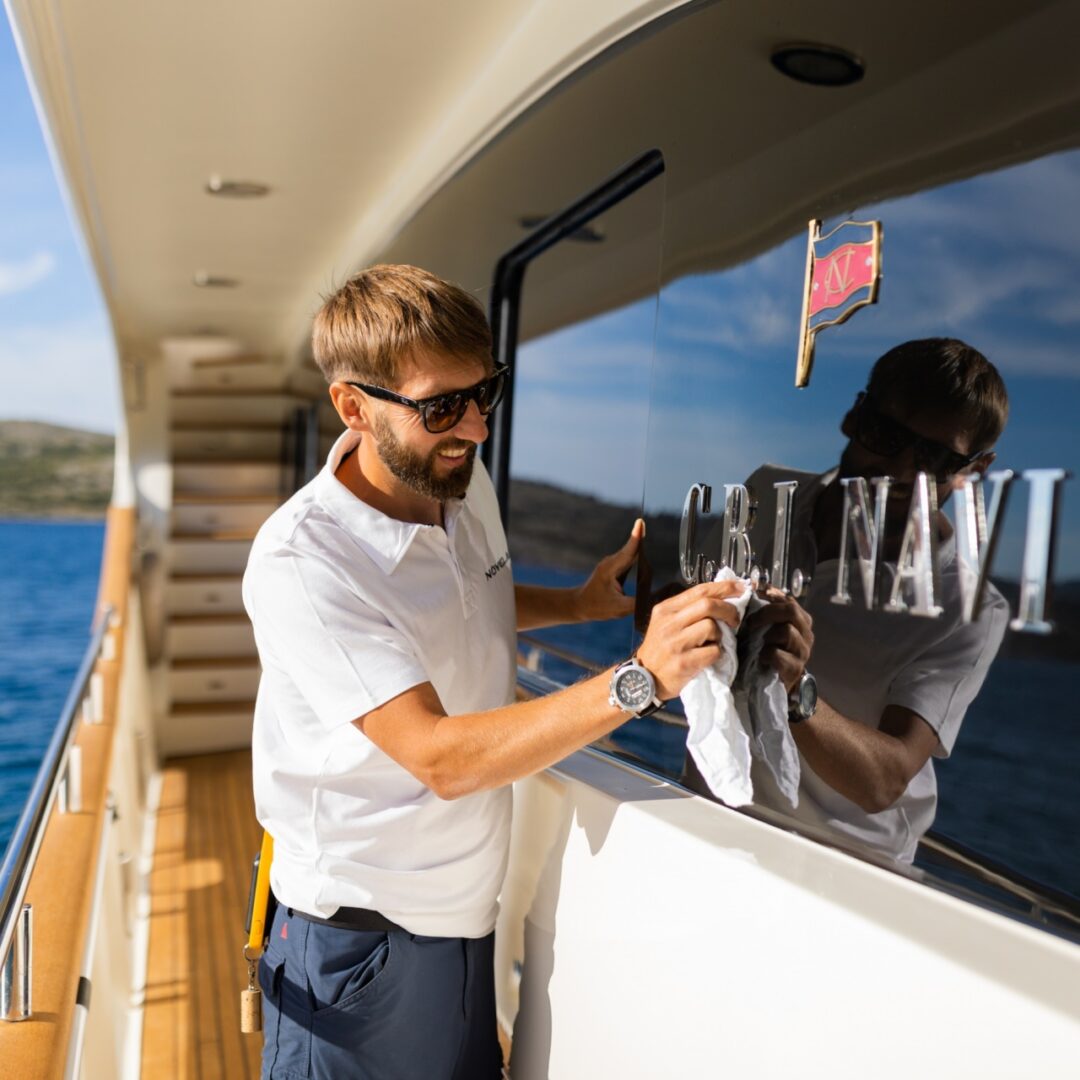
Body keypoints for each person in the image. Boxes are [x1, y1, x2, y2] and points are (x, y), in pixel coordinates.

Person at [242, 264, 744, 1080]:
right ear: (353, 407)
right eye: (443, 405)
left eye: (487, 395)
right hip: (361, 940)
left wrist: (579, 604)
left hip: (465, 921)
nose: (475, 429)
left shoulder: (456, 480)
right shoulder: (306, 560)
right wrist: (639, 678)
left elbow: (468, 604)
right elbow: (440, 757)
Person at [733, 338, 1011, 864]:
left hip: (844, 869)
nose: (902, 470)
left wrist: (795, 689)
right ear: (855, 416)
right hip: (714, 809)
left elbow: (884, 781)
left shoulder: (967, 606)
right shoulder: (767, 493)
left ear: (973, 469)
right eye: (887, 436)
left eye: (933, 457)